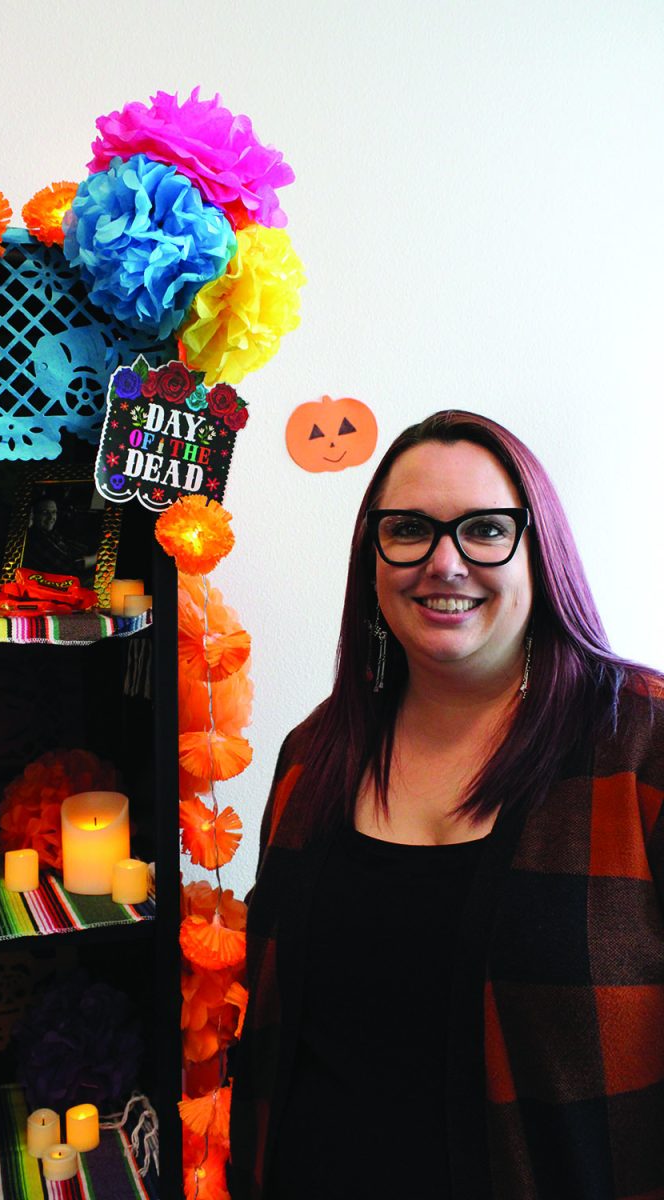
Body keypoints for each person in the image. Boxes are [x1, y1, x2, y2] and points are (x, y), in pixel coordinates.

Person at [228, 410, 664, 1200]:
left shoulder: (642, 747)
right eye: (409, 530)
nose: (445, 562)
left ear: (541, 551)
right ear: (372, 555)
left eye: (485, 529)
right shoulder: (311, 756)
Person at [23, 494, 98, 584]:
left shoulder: (50, 533)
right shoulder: (35, 539)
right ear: (34, 515)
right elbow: (72, 567)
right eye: (45, 512)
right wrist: (99, 556)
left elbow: (75, 548)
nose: (51, 517)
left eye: (54, 512)